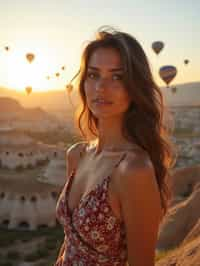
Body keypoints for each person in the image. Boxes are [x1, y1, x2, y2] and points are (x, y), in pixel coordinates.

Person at [55, 26, 175, 266]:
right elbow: (70, 242)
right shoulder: (77, 155)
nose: (101, 87)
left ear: (135, 87)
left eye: (117, 77)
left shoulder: (133, 169)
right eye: (93, 74)